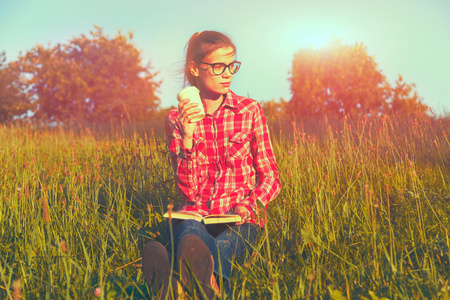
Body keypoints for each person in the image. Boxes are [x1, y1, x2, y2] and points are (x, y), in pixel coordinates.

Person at [142, 30, 281, 299]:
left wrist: (249, 204)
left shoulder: (249, 111)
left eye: (232, 65)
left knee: (230, 241)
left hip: (240, 218)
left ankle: (174, 284)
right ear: (195, 68)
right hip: (196, 215)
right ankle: (207, 287)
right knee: (191, 235)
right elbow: (188, 192)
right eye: (218, 66)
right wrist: (188, 136)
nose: (227, 73)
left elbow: (271, 177)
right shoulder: (175, 119)